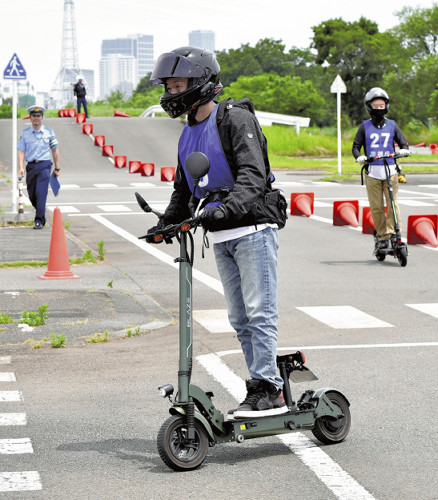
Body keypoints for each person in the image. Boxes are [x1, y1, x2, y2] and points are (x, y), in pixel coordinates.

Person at [148, 46, 288, 418]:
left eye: (177, 86)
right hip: (222, 233)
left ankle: (269, 388)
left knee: (259, 311)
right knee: (240, 318)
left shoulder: (235, 119)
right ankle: (263, 382)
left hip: (253, 228)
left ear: (200, 83)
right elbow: (183, 189)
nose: (170, 94)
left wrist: (226, 208)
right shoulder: (188, 134)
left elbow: (253, 177)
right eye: (169, 87)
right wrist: (165, 223)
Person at [352, 87, 410, 249]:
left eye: (381, 105)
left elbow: (403, 142)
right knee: (376, 207)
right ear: (369, 107)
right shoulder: (364, 126)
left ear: (386, 106)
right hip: (372, 172)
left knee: (393, 204)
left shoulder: (392, 125)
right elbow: (356, 146)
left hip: (390, 170)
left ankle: (394, 233)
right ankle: (382, 236)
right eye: (375, 106)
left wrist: (404, 149)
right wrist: (359, 157)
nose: (379, 108)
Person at [17, 105, 60, 229]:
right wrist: (20, 167)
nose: (36, 118)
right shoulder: (25, 134)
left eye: (38, 116)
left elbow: (55, 150)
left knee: (41, 192)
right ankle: (40, 212)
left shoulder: (49, 132)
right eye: (34, 116)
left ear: (42, 117)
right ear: (30, 118)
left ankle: (39, 220)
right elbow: (21, 151)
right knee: (32, 195)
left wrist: (57, 168)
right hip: (31, 166)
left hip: (44, 165)